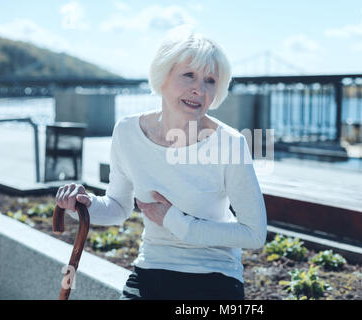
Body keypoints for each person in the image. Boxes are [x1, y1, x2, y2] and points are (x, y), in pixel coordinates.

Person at [55, 26, 267, 300]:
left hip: (215, 274)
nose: (199, 90)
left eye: (210, 80)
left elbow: (254, 233)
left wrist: (177, 222)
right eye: (188, 75)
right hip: (151, 268)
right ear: (163, 75)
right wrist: (84, 205)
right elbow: (118, 208)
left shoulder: (230, 143)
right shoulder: (127, 132)